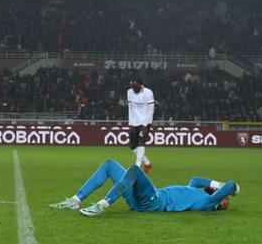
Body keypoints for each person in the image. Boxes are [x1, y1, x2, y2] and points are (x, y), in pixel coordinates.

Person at [49, 159, 240, 217]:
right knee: (110, 165)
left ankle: (103, 204)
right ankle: (76, 199)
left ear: (221, 202)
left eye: (222, 196)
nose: (218, 192)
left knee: (134, 170)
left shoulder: (207, 204)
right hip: (145, 200)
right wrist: (215, 184)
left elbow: (230, 185)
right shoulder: (195, 191)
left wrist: (233, 189)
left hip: (154, 202)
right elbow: (196, 179)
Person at [127, 77, 155, 173]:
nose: (133, 88)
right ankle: (147, 163)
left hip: (145, 121)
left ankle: (137, 167)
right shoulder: (129, 92)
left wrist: (145, 125)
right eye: (132, 86)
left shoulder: (148, 92)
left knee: (141, 144)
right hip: (134, 122)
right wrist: (130, 123)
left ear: (140, 85)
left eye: (135, 86)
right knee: (133, 147)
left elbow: (150, 110)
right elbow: (130, 108)